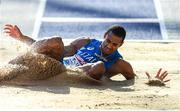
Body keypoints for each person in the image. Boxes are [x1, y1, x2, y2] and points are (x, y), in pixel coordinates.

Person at [3, 24, 170, 84]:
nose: (110, 46)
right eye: (108, 41)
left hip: (72, 76)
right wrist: (22, 37)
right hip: (58, 66)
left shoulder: (121, 64)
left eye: (115, 44)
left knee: (99, 66)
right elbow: (54, 50)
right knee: (56, 40)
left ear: (121, 44)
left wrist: (153, 81)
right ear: (104, 36)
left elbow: (134, 81)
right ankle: (7, 69)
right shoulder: (86, 42)